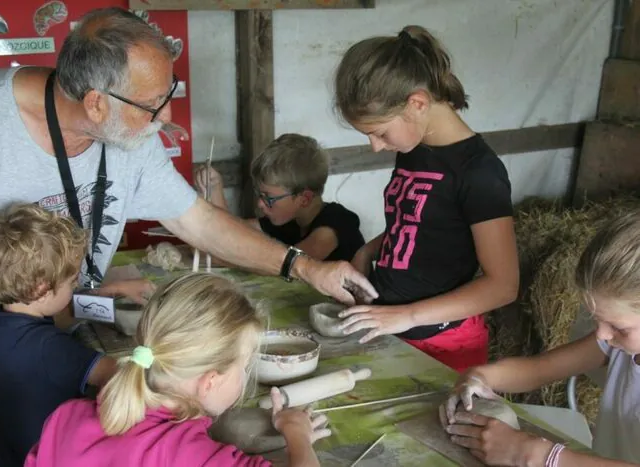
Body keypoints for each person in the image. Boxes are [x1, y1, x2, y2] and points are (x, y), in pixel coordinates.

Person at [0, 8, 375, 465]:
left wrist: (304, 266)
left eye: (166, 94)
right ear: (96, 103)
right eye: (152, 103)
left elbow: (198, 220)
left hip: (39, 363)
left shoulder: (129, 131)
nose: (165, 115)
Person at [333, 25, 519, 371]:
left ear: (416, 103)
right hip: (397, 329)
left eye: (379, 132)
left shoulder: (479, 173)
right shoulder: (415, 146)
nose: (376, 146)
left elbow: (503, 286)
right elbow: (420, 224)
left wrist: (406, 315)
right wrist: (366, 251)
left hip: (443, 342)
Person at [26, 273, 330, 467]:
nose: (245, 374)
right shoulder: (193, 456)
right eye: (244, 364)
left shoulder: (66, 417)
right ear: (210, 381)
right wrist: (297, 433)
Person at [441, 211, 640, 466]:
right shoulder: (617, 345)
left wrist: (536, 454)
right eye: (595, 319)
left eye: (618, 327)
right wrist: (480, 377)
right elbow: (539, 370)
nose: (602, 334)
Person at [0, 203, 118, 467]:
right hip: (51, 457)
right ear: (41, 289)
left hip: (13, 453)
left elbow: (59, 313)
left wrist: (107, 294)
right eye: (72, 280)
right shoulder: (51, 348)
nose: (75, 286)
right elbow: (116, 372)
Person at [195, 133, 365, 262]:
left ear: (304, 199)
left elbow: (290, 263)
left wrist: (223, 255)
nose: (260, 204)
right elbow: (231, 231)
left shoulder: (336, 223)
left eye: (268, 197)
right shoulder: (288, 221)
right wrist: (215, 187)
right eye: (259, 194)